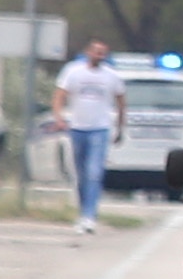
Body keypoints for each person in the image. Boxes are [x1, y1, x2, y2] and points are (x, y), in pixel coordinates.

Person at [53, 39, 127, 235]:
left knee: (94, 173)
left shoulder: (112, 76)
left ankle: (89, 216)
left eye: (103, 53)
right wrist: (59, 117)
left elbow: (121, 102)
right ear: (88, 52)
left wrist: (120, 128)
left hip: (100, 129)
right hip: (77, 127)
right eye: (96, 52)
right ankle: (82, 211)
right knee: (81, 174)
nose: (99, 56)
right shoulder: (73, 72)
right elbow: (60, 95)